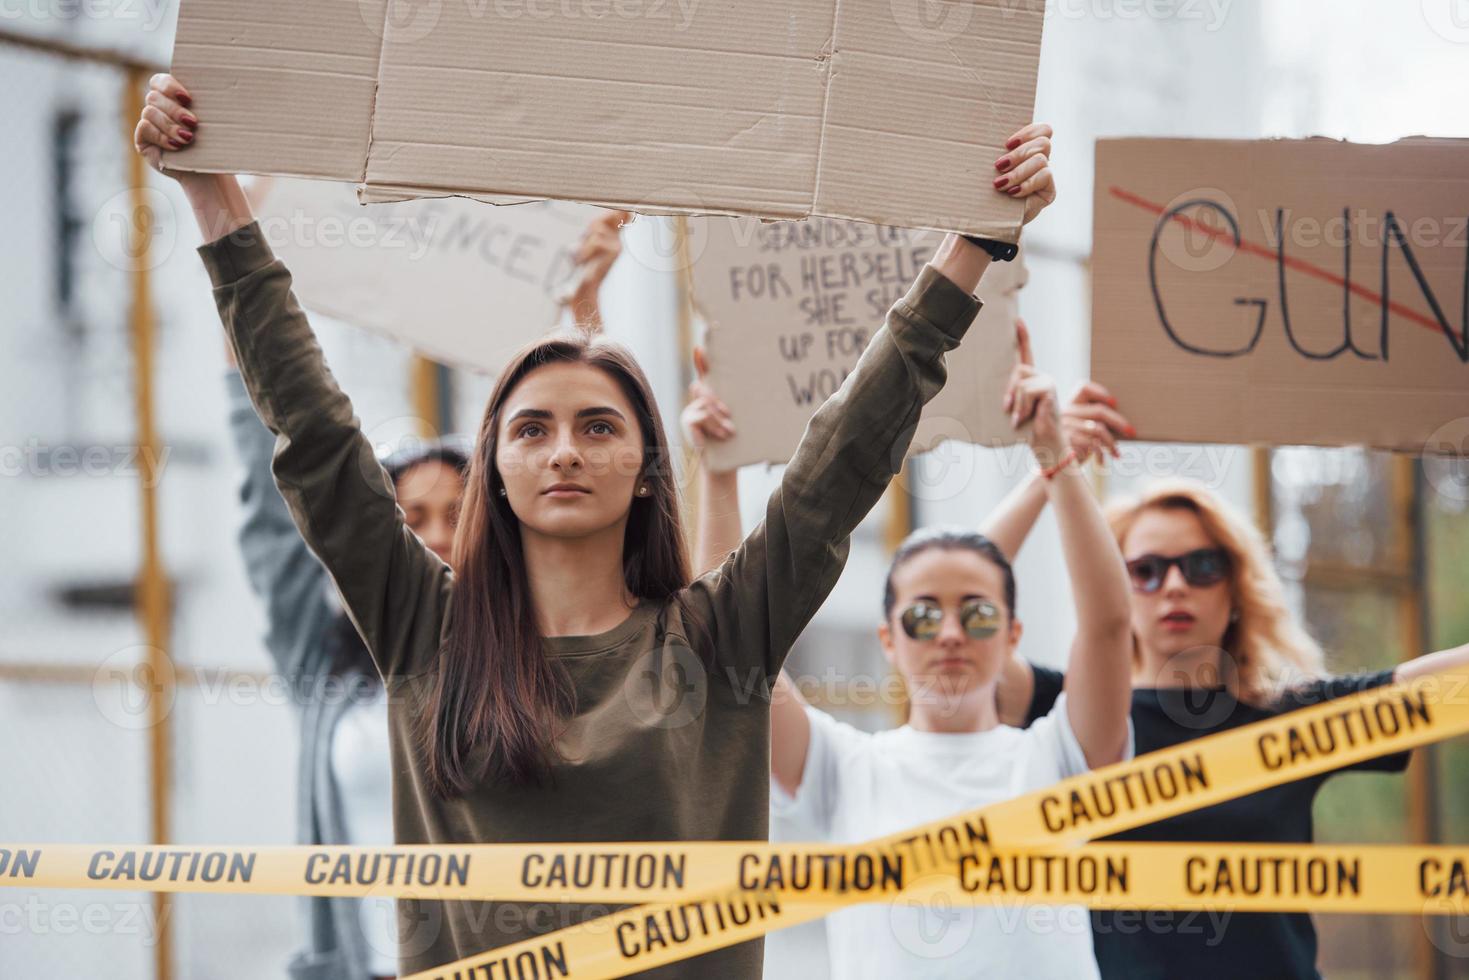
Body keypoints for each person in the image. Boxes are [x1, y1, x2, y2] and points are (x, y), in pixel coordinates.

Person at [133, 72, 1058, 977]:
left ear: (652, 474)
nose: (564, 451)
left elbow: (841, 460)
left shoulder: (719, 636)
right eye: (531, 430)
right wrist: (210, 194)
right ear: (493, 472)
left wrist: (971, 245)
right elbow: (316, 431)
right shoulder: (426, 626)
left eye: (598, 427)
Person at [224, 212, 622, 980]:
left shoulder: (533, 645)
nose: (435, 536)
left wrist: (583, 318)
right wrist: (234, 306)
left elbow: (590, 504)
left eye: (456, 515)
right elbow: (272, 509)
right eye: (411, 519)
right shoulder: (324, 664)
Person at [684, 314, 1135, 977]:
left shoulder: (1057, 755)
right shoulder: (844, 769)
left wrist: (1054, 456)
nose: (950, 634)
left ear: (1013, 635)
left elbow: (1106, 626)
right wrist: (719, 474)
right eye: (923, 617)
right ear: (887, 640)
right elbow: (734, 647)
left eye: (977, 615)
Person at [985, 466, 1469, 979]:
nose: (1173, 585)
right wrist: (1049, 471)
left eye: (1202, 566)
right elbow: (950, 592)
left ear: (1236, 588)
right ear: (1113, 589)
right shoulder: (1068, 714)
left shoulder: (1291, 718)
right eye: (1145, 570)